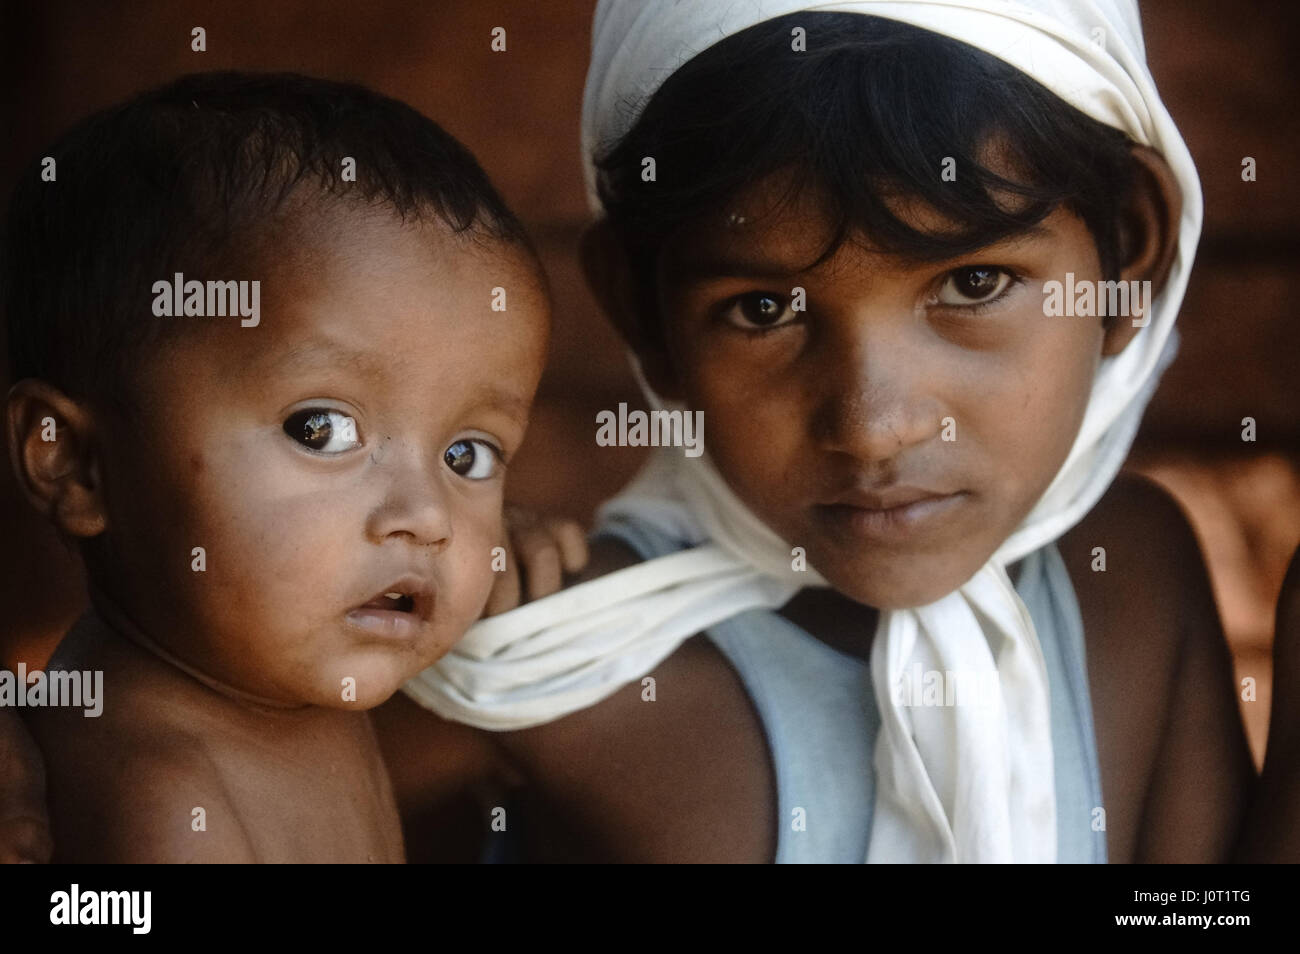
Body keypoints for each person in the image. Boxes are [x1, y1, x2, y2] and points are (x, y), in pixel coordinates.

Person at [394, 1, 1254, 863]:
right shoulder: (537, 663)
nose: (874, 430)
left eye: (976, 283)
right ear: (640, 310)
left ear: (1132, 247)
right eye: (763, 310)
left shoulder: (1133, 578)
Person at [0, 71, 581, 862]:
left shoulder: (278, 685)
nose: (430, 516)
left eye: (466, 454)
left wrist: (516, 647)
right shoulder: (159, 803)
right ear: (74, 465)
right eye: (321, 429)